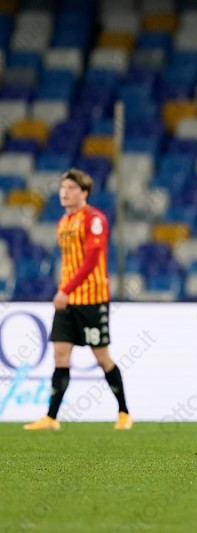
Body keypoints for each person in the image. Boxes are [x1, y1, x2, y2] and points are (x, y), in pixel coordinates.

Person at [24, 169, 132, 431]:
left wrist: (65, 289)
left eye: (71, 188)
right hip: (68, 301)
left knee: (102, 357)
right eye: (63, 187)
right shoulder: (63, 222)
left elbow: (92, 260)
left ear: (84, 193)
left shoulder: (94, 220)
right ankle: (51, 418)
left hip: (92, 300)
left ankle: (124, 413)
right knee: (60, 354)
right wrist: (65, 289)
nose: (65, 192)